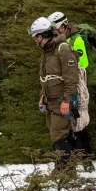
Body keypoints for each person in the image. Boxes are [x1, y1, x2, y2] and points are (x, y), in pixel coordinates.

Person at [30, 16, 80, 167]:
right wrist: (42, 97)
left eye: (35, 38)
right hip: (50, 100)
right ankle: (67, 167)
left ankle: (64, 171)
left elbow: (72, 78)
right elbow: (45, 78)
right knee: (57, 134)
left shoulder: (63, 49)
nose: (34, 41)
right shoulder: (47, 51)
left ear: (41, 36)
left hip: (61, 100)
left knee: (58, 135)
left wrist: (67, 100)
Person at [48, 11, 94, 153]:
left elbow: (83, 63)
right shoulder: (63, 41)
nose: (54, 32)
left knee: (78, 122)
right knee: (70, 122)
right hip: (67, 85)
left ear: (62, 26)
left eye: (55, 29)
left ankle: (86, 158)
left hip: (77, 86)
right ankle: (77, 155)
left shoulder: (76, 40)